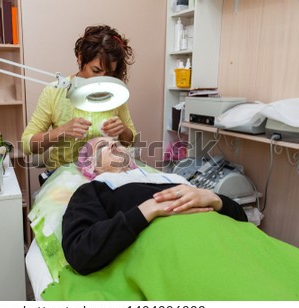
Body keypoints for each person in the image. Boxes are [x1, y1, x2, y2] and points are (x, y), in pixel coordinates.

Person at [62, 137, 248, 275]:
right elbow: (80, 251)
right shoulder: (93, 189)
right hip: (184, 258)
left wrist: (214, 198)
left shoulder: (175, 179)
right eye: (103, 146)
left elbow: (242, 220)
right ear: (91, 166)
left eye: (117, 143)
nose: (113, 144)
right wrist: (145, 210)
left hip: (230, 246)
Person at [21, 25, 137, 183]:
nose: (101, 79)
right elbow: (27, 144)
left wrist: (122, 129)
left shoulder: (113, 92)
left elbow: (131, 139)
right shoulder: (54, 92)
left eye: (109, 74)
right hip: (63, 175)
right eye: (96, 70)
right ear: (81, 57)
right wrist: (61, 131)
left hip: (104, 175)